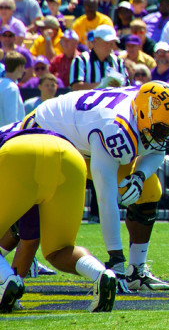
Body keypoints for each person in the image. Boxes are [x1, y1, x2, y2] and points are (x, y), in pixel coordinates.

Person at [25, 82, 169, 292]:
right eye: (163, 130)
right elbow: (105, 197)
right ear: (144, 116)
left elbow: (156, 149)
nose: (166, 136)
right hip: (46, 131)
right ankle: (16, 261)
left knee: (149, 191)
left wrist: (139, 176)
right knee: (34, 204)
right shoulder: (114, 128)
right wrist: (115, 259)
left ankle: (136, 271)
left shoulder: (142, 112)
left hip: (87, 138)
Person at [0, 128, 119, 314]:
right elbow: (29, 240)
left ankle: (6, 279)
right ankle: (100, 274)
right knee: (59, 250)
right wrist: (13, 285)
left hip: (18, 152)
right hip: (70, 156)